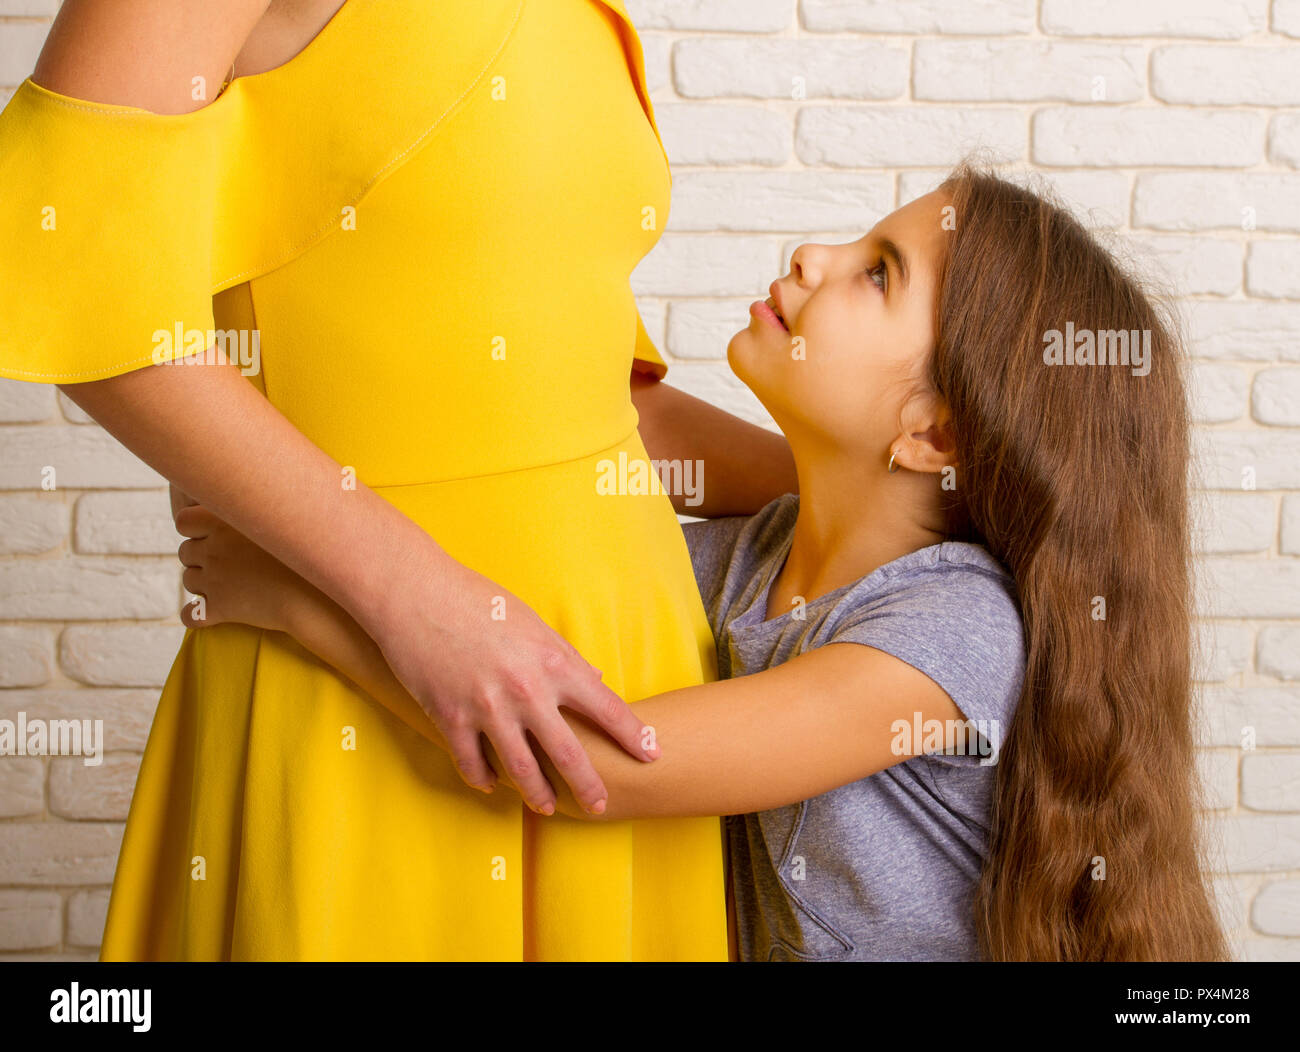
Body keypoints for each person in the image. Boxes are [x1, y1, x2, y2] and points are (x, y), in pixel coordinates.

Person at [181, 165, 1229, 961]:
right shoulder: (742, 559)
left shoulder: (953, 631)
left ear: (936, 435)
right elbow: (599, 433)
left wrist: (290, 596)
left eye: (877, 271)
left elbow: (593, 762)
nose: (815, 254)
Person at [0, 0, 796, 960]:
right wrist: (420, 604)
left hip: (617, 674)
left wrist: (932, 489)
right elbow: (71, 273)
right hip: (365, 673)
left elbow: (600, 406)